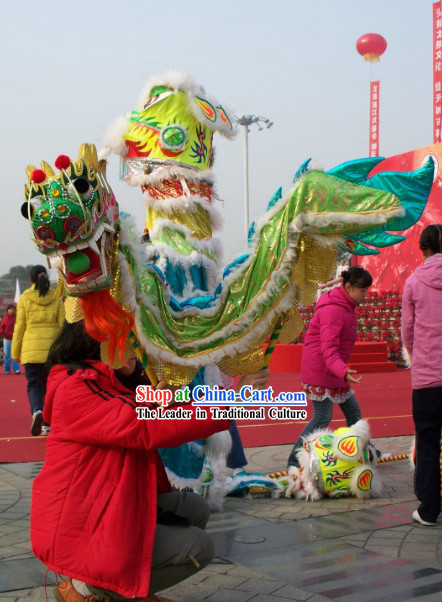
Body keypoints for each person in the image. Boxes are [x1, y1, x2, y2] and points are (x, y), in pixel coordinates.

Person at [31, 321, 268, 602]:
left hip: (104, 506)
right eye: (129, 340)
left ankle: (123, 587)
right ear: (97, 343)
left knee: (192, 508)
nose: (136, 348)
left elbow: (162, 406)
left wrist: (188, 393)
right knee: (197, 547)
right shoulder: (77, 387)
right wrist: (234, 400)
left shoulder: (112, 383)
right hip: (79, 527)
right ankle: (90, 591)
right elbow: (146, 425)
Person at [287, 266, 372, 468]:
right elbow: (328, 350)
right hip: (322, 370)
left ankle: (366, 452)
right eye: (362, 291)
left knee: (354, 414)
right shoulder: (334, 310)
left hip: (333, 370)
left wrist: (341, 371)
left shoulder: (344, 305)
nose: (365, 295)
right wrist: (343, 371)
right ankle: (294, 461)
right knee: (322, 417)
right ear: (349, 287)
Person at [402, 224, 442, 527]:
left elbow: (408, 332)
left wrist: (420, 360)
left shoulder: (414, 283)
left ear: (423, 248)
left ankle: (429, 510)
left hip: (428, 379)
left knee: (427, 443)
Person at [11, 266, 64, 436]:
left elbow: (19, 327)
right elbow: (64, 325)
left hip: (30, 349)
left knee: (33, 384)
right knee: (49, 387)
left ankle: (36, 411)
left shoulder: (25, 298)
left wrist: (15, 352)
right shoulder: (56, 296)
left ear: (31, 280)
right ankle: (47, 424)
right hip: (52, 350)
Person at [0, 305, 20, 374]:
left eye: (13, 309)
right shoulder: (5, 318)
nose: (11, 310)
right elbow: (2, 327)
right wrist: (1, 333)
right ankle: (7, 369)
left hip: (15, 338)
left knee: (15, 354)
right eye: (10, 309)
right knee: (7, 355)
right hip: (7, 339)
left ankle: (16, 369)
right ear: (7, 310)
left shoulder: (17, 317)